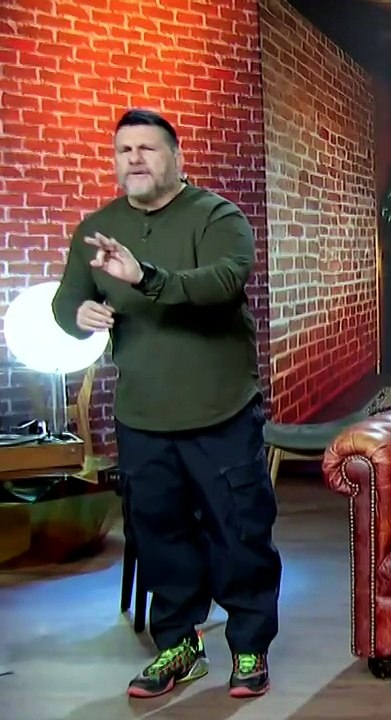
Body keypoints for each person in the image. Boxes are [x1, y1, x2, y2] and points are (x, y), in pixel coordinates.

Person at [52, 108, 281, 699]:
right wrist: (78, 315)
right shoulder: (97, 228)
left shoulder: (216, 216)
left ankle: (250, 645)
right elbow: (65, 304)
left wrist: (145, 277)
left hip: (221, 409)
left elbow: (223, 282)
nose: (134, 159)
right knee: (159, 536)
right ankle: (179, 646)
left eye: (147, 148)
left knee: (240, 533)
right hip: (142, 416)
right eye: (124, 149)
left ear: (176, 158)